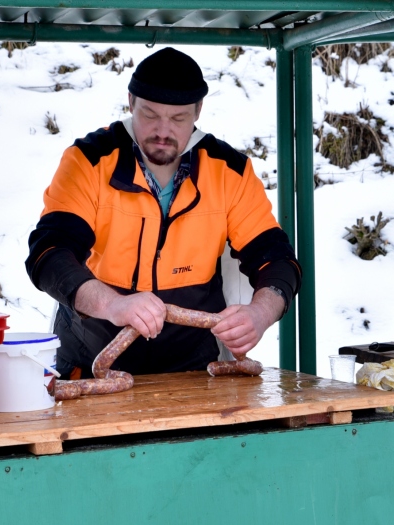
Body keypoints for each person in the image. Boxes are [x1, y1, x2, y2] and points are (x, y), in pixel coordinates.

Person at [25, 47, 301, 379]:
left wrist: (259, 314)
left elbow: (277, 261)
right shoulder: (89, 160)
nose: (162, 131)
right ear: (130, 102)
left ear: (198, 111)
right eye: (150, 115)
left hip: (193, 368)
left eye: (178, 118)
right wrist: (112, 305)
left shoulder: (231, 171)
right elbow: (49, 254)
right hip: (93, 360)